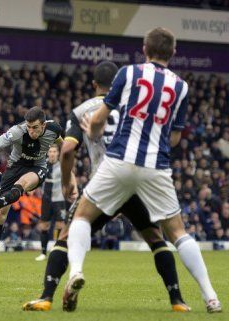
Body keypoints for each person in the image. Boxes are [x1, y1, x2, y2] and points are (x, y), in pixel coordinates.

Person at [65, 28, 221, 313]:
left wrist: (95, 129)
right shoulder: (181, 86)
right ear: (172, 53)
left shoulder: (128, 73)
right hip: (156, 166)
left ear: (145, 49)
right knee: (177, 232)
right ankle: (210, 295)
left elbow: (101, 116)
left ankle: (75, 271)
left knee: (83, 216)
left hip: (119, 159)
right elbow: (174, 138)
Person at [23, 61, 189, 313]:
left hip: (104, 185)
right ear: (119, 84)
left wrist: (68, 180)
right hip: (136, 183)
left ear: (93, 85)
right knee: (156, 239)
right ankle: (178, 301)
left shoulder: (82, 111)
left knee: (67, 235)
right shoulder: (134, 109)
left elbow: (67, 149)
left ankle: (46, 297)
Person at [0, 106, 63, 285]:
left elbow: (64, 145)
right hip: (14, 168)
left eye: (35, 127)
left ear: (43, 125)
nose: (31, 131)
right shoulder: (17, 132)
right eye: (29, 127)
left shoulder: (54, 129)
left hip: (37, 168)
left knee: (20, 186)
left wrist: (69, 162)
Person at [35, 144, 65, 261]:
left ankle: (57, 250)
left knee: (60, 225)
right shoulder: (42, 164)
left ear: (58, 153)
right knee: (44, 226)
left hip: (59, 199)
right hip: (46, 199)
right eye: (50, 151)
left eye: (54, 151)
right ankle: (43, 253)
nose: (52, 153)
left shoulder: (62, 165)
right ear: (48, 153)